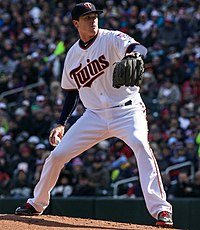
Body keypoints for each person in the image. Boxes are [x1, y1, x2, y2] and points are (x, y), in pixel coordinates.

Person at [15, 2, 173, 228]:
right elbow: (71, 93)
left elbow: (139, 48)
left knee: (141, 145)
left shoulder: (112, 38)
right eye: (87, 17)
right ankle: (37, 203)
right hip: (94, 116)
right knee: (58, 155)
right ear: (75, 23)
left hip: (127, 110)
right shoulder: (71, 55)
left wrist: (135, 57)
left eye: (95, 15)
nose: (93, 19)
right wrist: (61, 123)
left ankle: (162, 210)